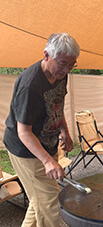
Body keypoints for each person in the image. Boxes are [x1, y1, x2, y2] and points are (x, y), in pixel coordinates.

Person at [3, 33, 80, 227]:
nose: (66, 69)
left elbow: (57, 103)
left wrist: (65, 131)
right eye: (62, 63)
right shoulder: (30, 85)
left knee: (39, 200)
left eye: (71, 65)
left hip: (47, 143)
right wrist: (47, 161)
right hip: (26, 150)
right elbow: (23, 132)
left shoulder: (61, 74)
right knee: (50, 200)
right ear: (46, 55)